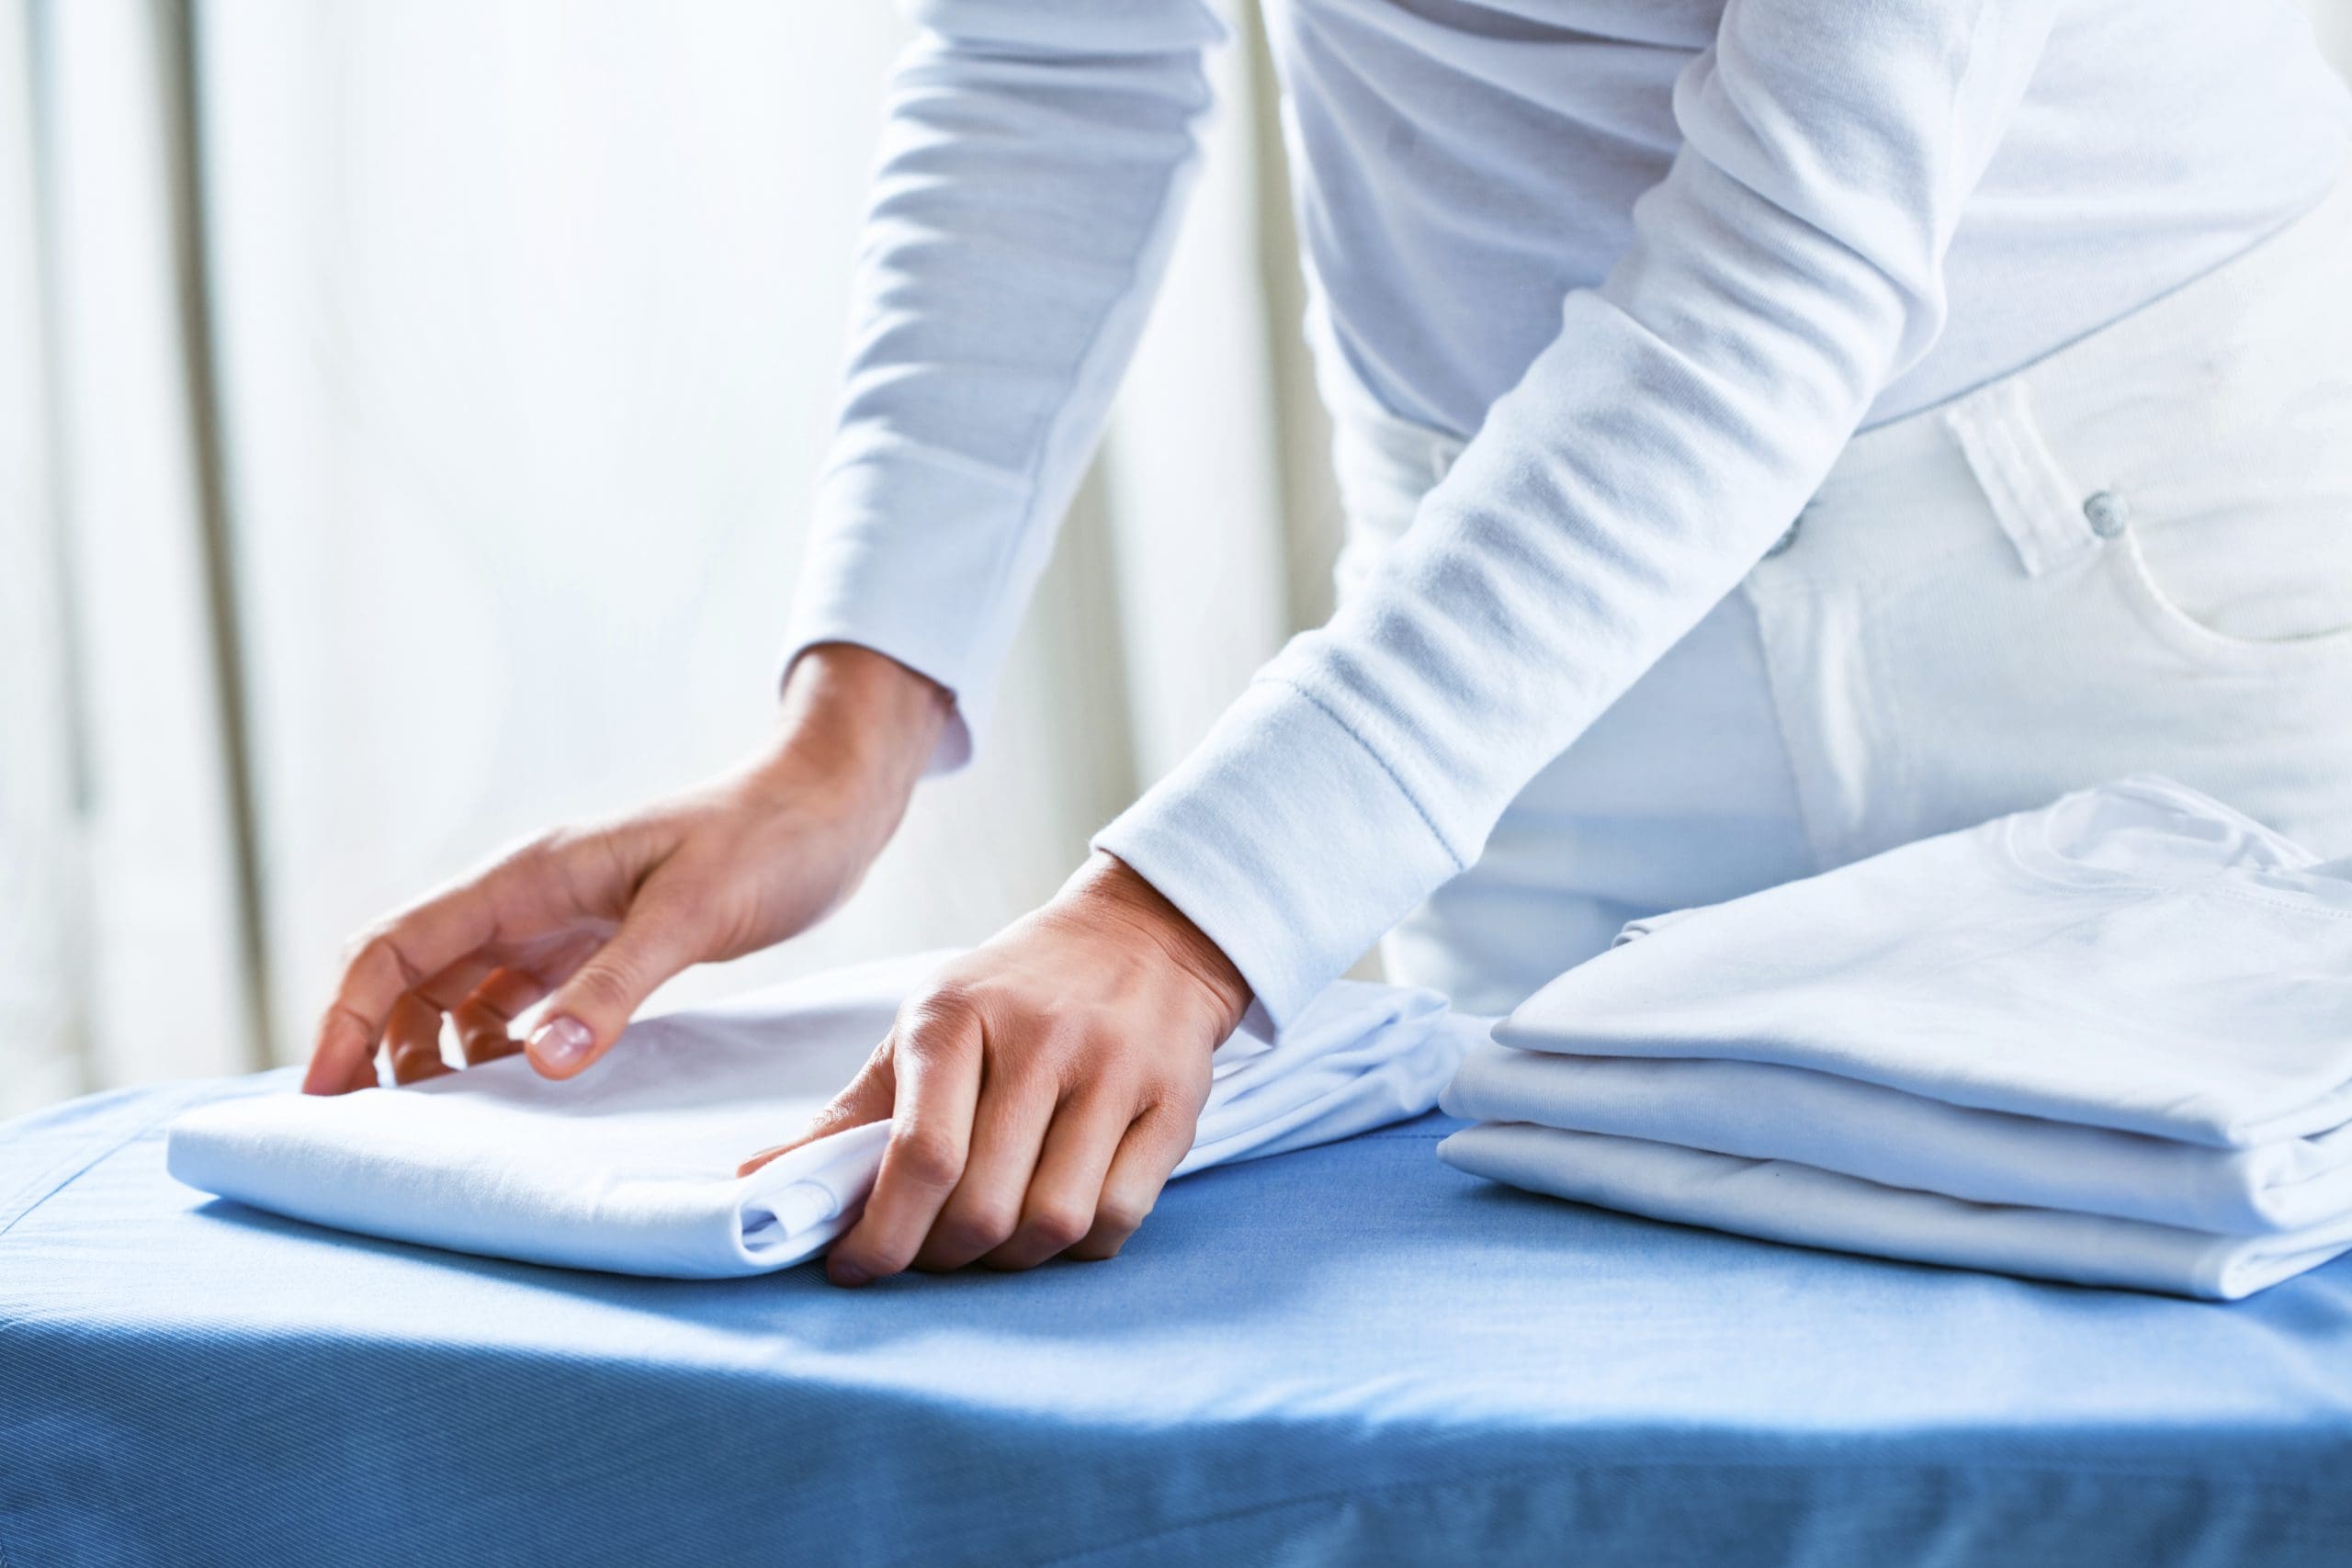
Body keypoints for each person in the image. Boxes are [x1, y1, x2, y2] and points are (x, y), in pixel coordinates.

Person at [301, 0, 2352, 1287]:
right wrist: (850, 722)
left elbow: (1784, 256)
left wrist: (1186, 914)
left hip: (2117, 598)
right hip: (1528, 662)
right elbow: (1048, 55)